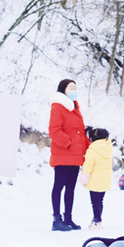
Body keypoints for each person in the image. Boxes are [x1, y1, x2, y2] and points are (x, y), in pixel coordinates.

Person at [48, 79, 90, 231]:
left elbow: (80, 132)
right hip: (63, 153)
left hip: (76, 155)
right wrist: (69, 144)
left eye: (75, 87)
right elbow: (54, 130)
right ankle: (56, 219)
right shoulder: (58, 107)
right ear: (63, 90)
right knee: (58, 186)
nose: (74, 90)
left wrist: (87, 148)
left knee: (71, 188)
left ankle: (68, 218)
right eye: (70, 87)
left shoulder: (76, 108)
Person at [79, 127, 113, 229]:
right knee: (100, 201)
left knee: (95, 202)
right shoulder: (108, 148)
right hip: (105, 179)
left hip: (95, 180)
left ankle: (97, 221)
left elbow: (88, 166)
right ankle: (98, 220)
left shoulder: (92, 151)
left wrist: (83, 178)